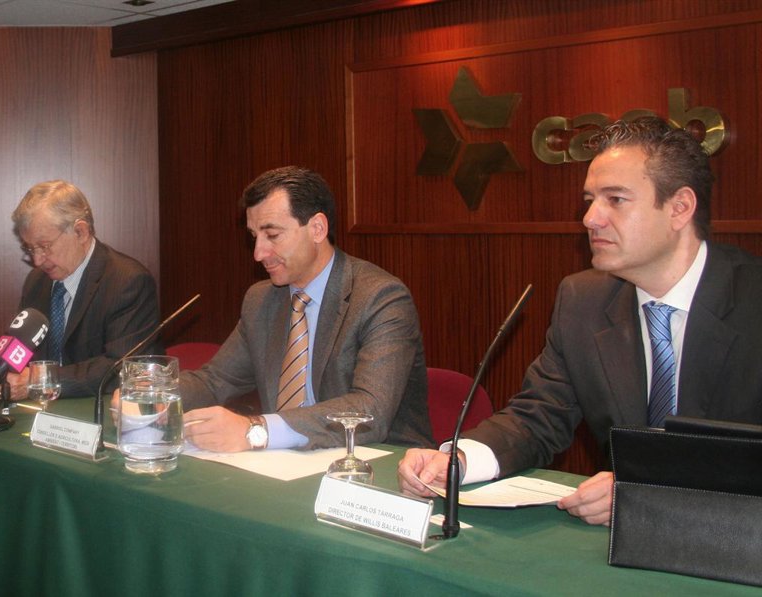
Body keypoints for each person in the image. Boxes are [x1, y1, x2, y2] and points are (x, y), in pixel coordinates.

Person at [397, 117, 762, 526]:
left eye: (615, 199)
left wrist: (649, 490)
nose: (590, 218)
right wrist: (458, 459)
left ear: (679, 208)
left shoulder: (752, 301)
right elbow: (538, 416)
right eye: (590, 199)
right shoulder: (584, 299)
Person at [168, 166, 432, 452]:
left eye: (272, 235)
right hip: (286, 464)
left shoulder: (379, 297)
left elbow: (370, 411)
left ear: (317, 228)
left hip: (380, 462)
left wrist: (256, 430)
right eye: (254, 236)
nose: (258, 253)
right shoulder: (261, 300)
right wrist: (154, 396)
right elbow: (216, 381)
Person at [0, 180, 162, 399]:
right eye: (30, 248)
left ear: (80, 232)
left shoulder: (127, 281)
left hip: (96, 411)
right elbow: (17, 353)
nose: (37, 260)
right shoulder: (37, 281)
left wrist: (40, 381)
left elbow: (123, 367)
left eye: (44, 246)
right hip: (40, 412)